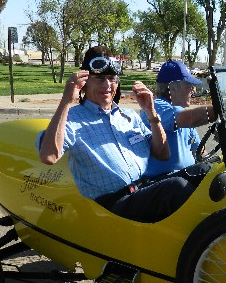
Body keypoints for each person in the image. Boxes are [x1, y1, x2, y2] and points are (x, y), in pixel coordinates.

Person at [36, 46, 194, 223]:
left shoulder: (128, 116)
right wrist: (66, 101)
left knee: (199, 173)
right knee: (177, 188)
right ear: (85, 82)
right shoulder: (72, 119)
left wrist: (151, 113)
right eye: (99, 79)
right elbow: (48, 156)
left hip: (144, 189)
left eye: (112, 78)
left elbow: (163, 154)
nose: (107, 85)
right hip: (114, 205)